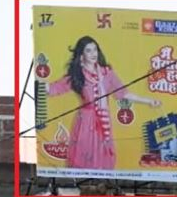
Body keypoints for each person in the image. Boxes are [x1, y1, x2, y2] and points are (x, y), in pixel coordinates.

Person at [45, 36, 161, 171]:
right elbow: (55, 88)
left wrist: (149, 101)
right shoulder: (77, 75)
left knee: (102, 157)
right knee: (84, 156)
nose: (93, 53)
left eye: (95, 49)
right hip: (85, 122)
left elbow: (123, 93)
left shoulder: (107, 73)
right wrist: (36, 82)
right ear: (81, 55)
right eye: (88, 50)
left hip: (103, 122)